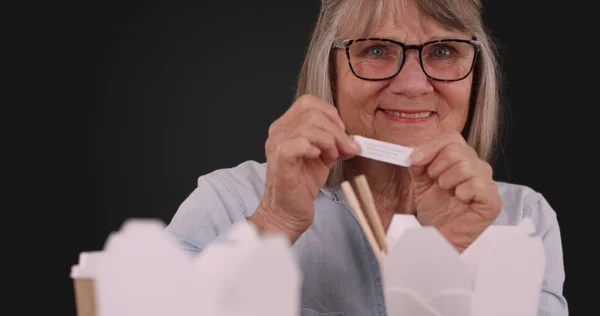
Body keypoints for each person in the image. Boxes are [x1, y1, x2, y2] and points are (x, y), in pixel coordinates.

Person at [165, 0, 568, 315]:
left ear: (477, 73)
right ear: (331, 68)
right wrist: (275, 223)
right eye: (376, 49)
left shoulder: (522, 220)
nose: (412, 85)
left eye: (444, 50)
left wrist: (446, 261)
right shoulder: (232, 201)